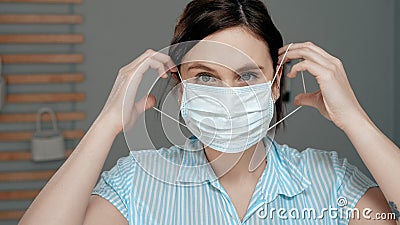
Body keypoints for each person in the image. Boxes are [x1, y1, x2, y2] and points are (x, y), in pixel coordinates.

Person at [18, 0, 400, 225]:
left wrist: (355, 119)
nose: (228, 96)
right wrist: (105, 125)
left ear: (274, 82)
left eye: (247, 75)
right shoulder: (137, 184)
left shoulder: (330, 182)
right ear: (180, 85)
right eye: (206, 76)